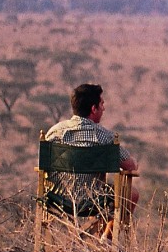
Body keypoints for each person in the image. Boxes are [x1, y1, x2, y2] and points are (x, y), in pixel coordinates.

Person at [44, 83, 140, 234]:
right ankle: (105, 241)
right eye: (101, 104)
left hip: (57, 199)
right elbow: (130, 166)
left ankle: (57, 249)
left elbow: (43, 166)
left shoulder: (53, 133)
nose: (104, 108)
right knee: (132, 193)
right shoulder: (105, 137)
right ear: (93, 109)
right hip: (93, 201)